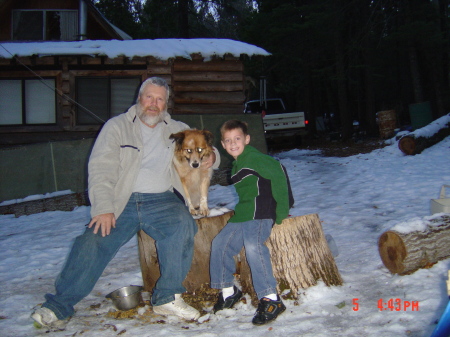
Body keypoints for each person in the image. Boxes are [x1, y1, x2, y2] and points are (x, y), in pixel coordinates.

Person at [31, 77, 220, 330]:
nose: (153, 104)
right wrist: (103, 208)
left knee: (183, 227)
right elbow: (100, 168)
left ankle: (167, 297)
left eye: (160, 99)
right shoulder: (116, 127)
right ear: (139, 98)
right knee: (93, 240)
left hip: (162, 199)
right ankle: (59, 306)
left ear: (166, 103)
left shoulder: (177, 128)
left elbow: (204, 147)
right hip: (122, 200)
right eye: (149, 97)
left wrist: (213, 158)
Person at [210, 119, 293, 325]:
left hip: (261, 212)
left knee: (253, 246)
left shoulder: (254, 158)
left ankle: (271, 299)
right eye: (228, 140)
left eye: (237, 138)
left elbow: (279, 172)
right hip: (244, 213)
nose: (233, 143)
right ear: (223, 144)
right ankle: (228, 291)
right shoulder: (237, 164)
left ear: (246, 139)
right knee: (220, 244)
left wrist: (282, 210)